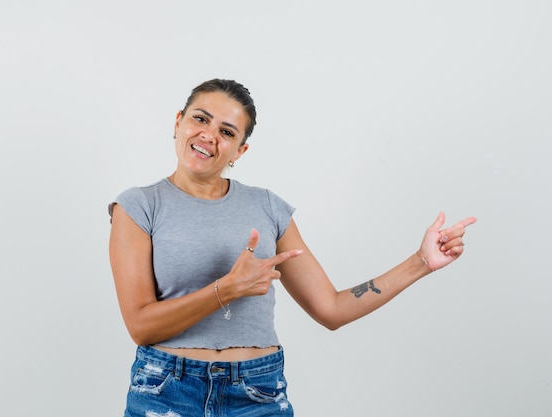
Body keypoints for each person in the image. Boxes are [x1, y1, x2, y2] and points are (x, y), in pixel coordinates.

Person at [108, 78, 476, 417]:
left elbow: (331, 309)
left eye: (226, 131)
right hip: (167, 390)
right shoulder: (139, 206)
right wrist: (227, 289)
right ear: (178, 121)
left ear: (240, 149)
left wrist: (421, 262)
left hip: (257, 392)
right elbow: (141, 326)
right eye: (200, 119)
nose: (208, 135)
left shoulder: (267, 207)